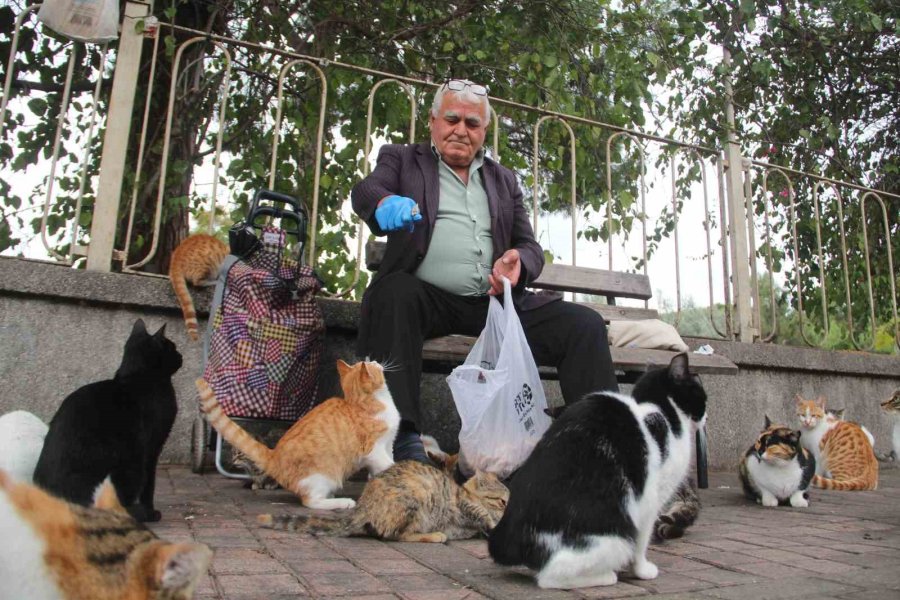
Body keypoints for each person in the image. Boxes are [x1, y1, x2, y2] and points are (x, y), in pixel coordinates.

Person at [351, 79, 619, 464]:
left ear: (484, 131)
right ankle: (403, 435)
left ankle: (603, 446)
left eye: (472, 124)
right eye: (452, 119)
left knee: (584, 325)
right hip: (427, 299)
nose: (461, 130)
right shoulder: (402, 159)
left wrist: (518, 263)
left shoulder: (502, 179)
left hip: (493, 304)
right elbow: (367, 190)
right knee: (393, 293)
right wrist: (385, 202)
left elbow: (530, 247)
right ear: (433, 121)